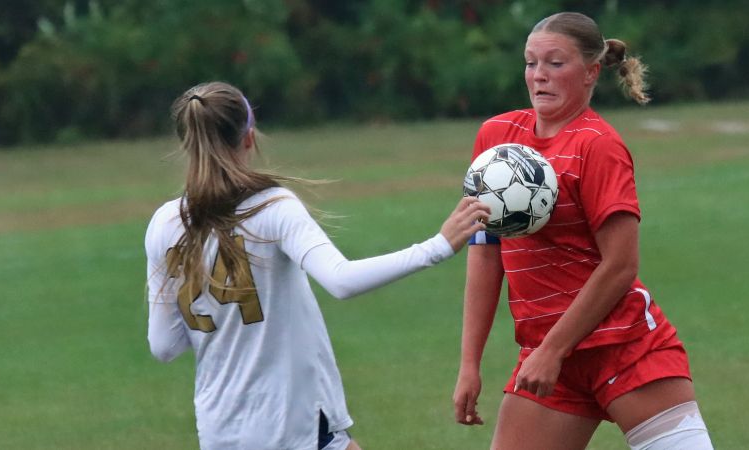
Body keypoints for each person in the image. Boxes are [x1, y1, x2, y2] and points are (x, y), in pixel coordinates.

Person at [145, 81, 490, 450]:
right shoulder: (272, 206)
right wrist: (435, 247)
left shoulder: (164, 224)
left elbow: (163, 345)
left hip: (220, 431)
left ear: (188, 142)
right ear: (249, 136)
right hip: (292, 422)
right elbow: (340, 280)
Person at [452, 12, 714, 450]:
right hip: (547, 356)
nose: (539, 76)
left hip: (624, 347)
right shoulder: (496, 139)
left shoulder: (598, 145)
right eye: (531, 63)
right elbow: (485, 250)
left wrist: (553, 350)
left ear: (592, 71)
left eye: (556, 63)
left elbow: (621, 265)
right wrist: (469, 364)